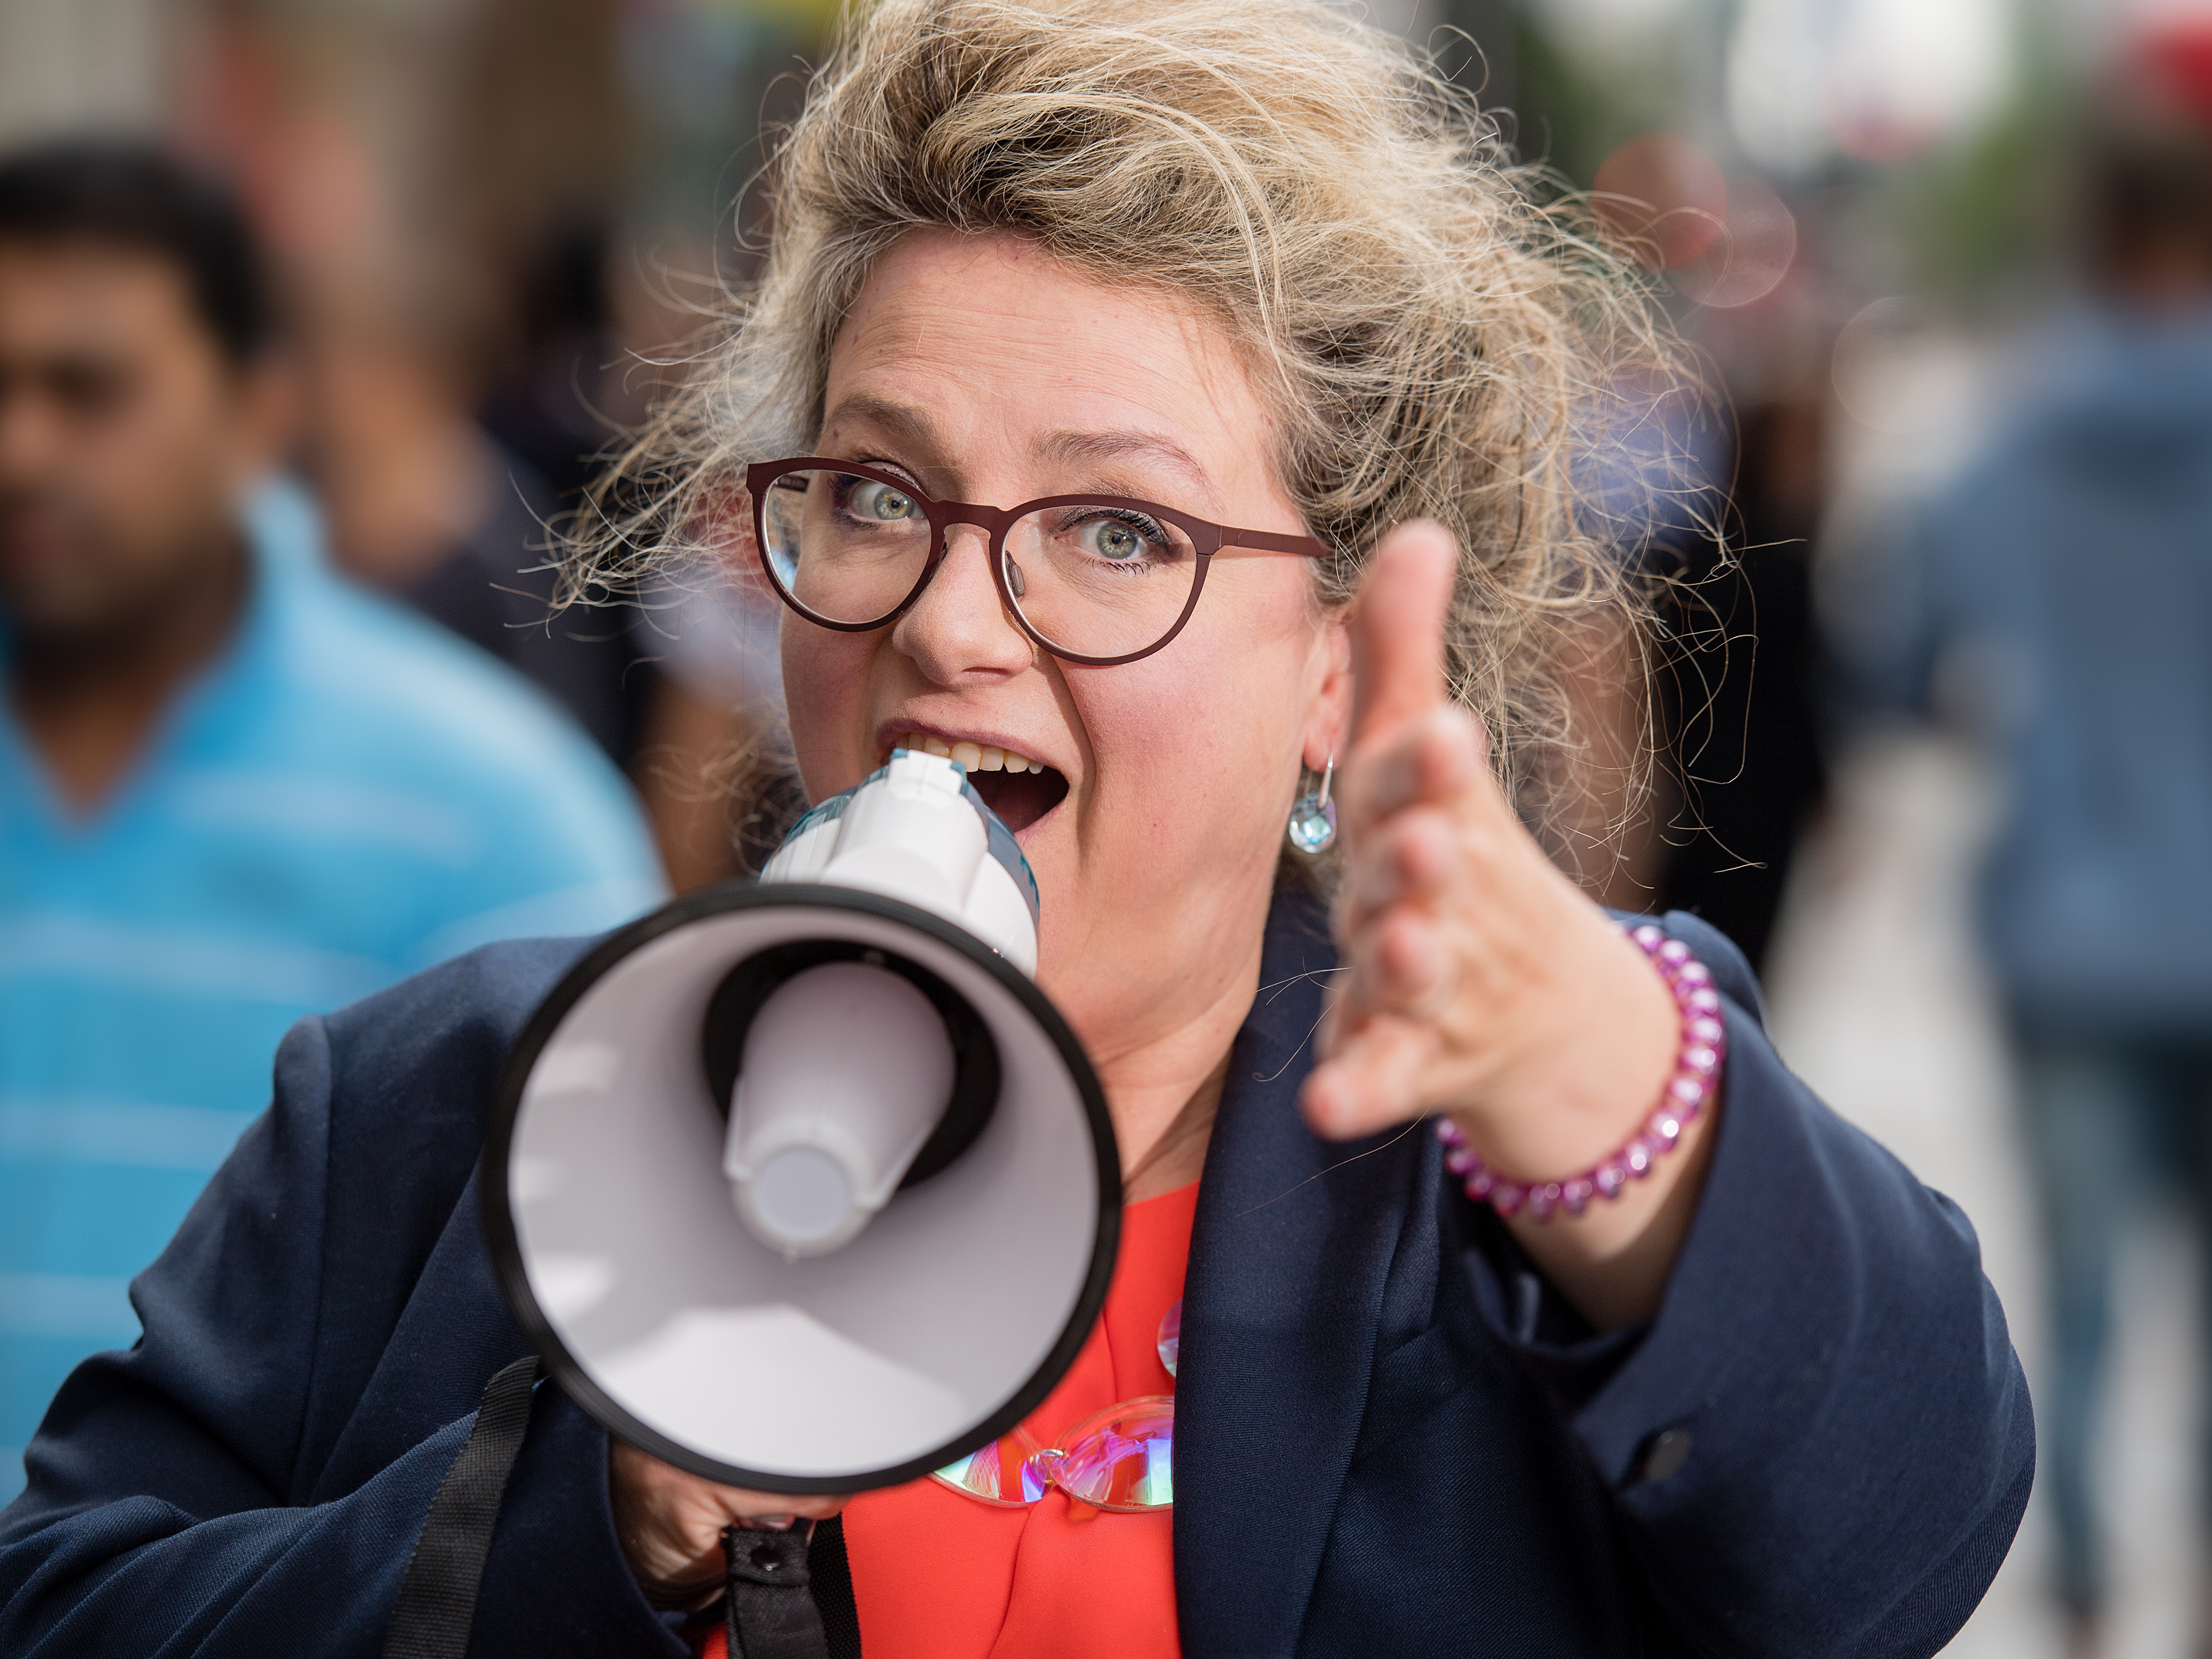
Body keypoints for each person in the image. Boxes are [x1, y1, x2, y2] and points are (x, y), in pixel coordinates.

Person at [0, 8, 2029, 1655]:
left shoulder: (1501, 1181)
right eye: (878, 495)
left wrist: (1594, 1080)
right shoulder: (439, 1114)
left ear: (1333, 660)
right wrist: (595, 1519)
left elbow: (1902, 1537)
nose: (950, 618)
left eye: (1118, 529)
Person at [0, 142, 667, 1503]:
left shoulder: (499, 819)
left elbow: (606, 1340)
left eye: (90, 390)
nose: (21, 446)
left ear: (259, 410)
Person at [1852, 80, 2212, 1659]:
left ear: (2088, 233)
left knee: (2074, 1298)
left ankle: (2076, 1599)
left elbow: (1902, 669)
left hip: (2067, 931)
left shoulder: (2000, 449)